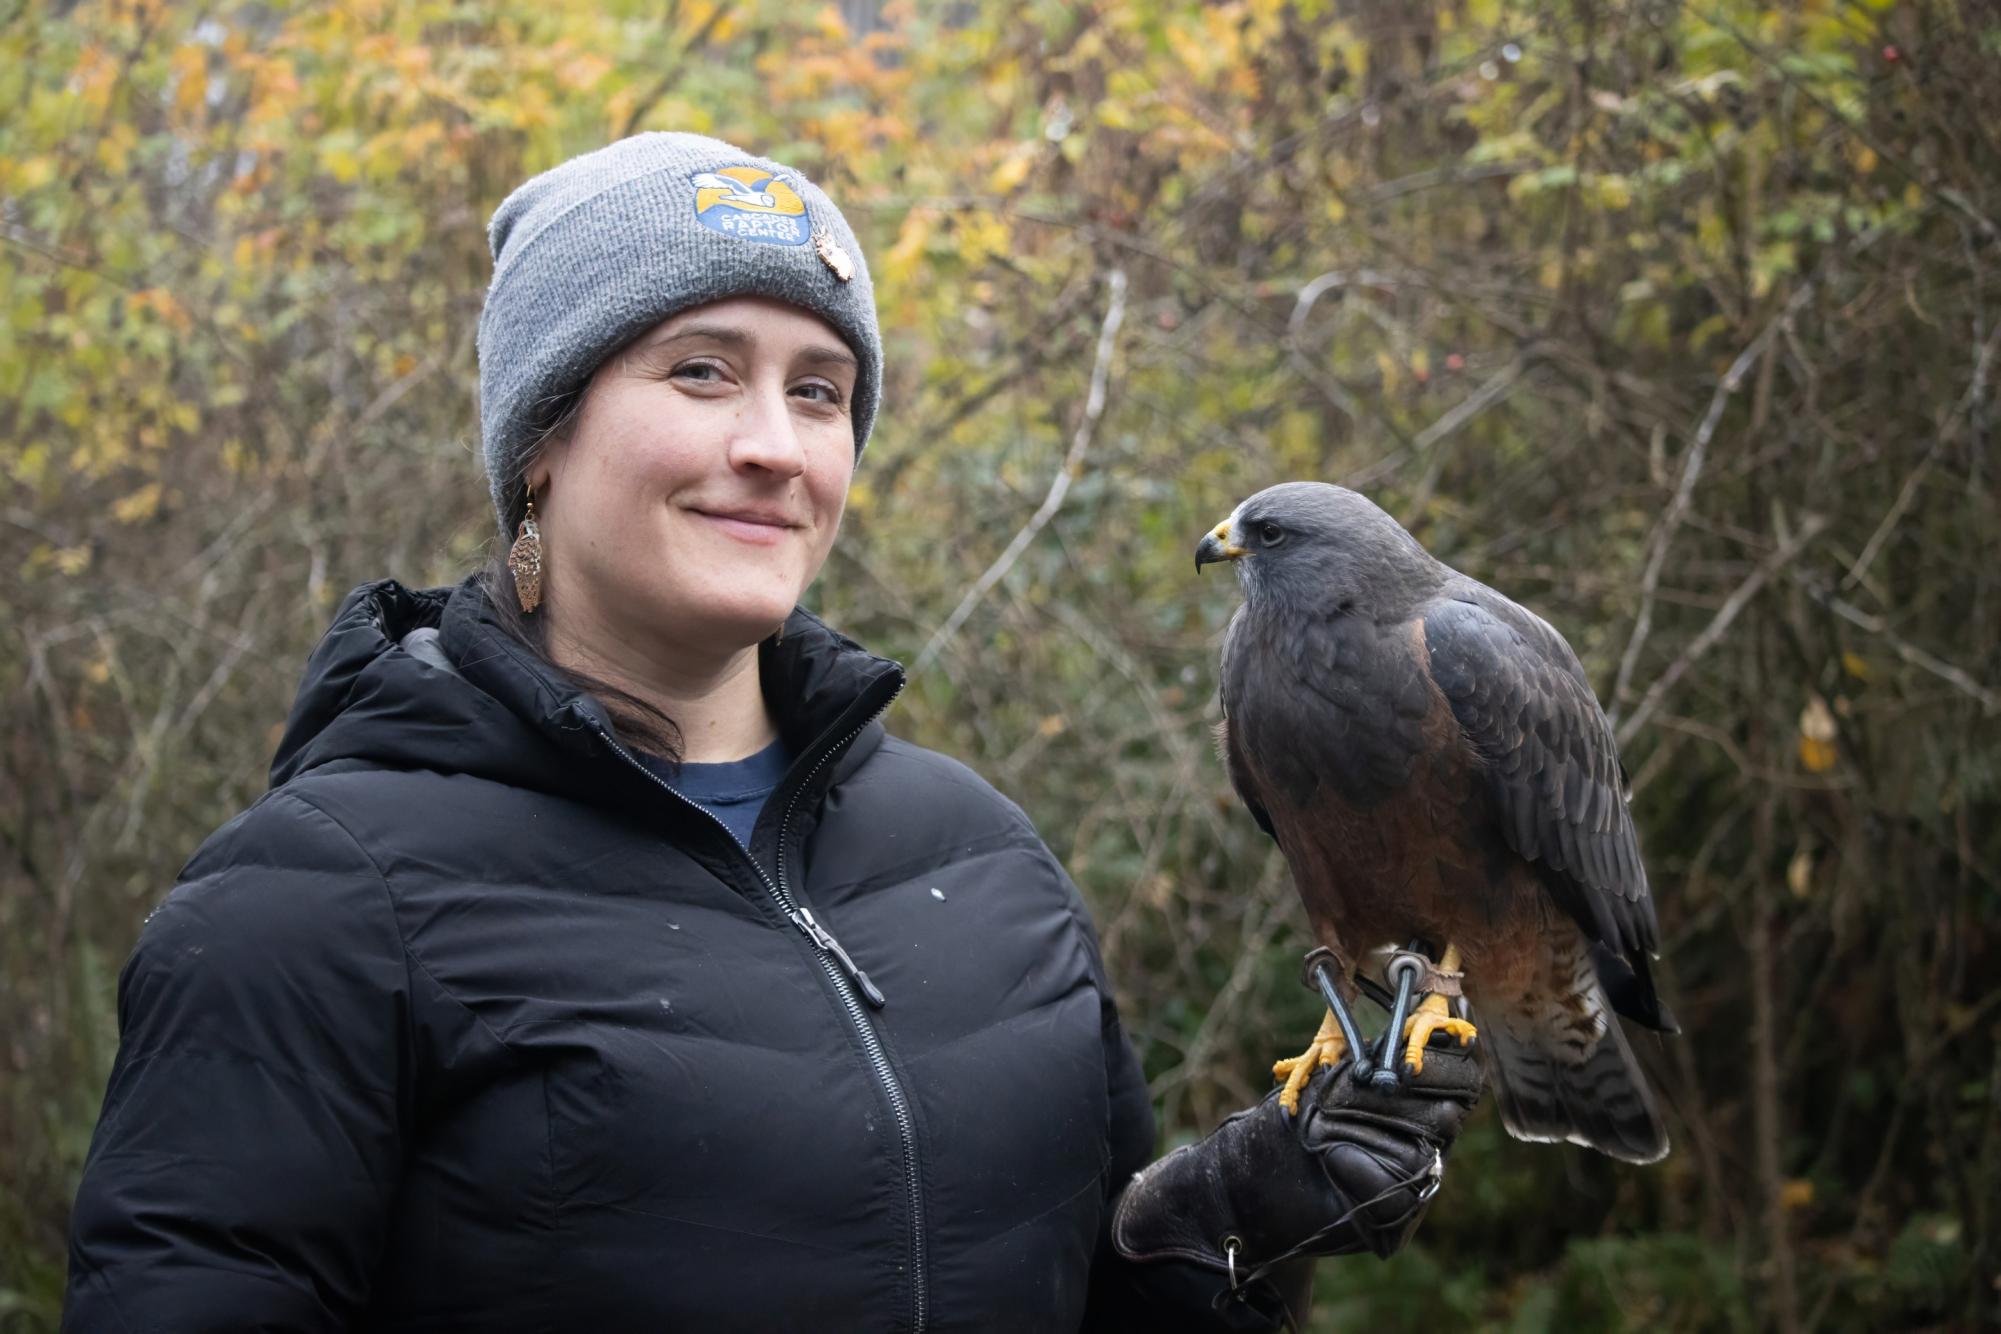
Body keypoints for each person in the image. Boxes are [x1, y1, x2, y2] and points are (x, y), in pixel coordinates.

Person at [63, 132, 1482, 1333]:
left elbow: (1090, 1294)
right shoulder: (308, 902)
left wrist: (1238, 1223)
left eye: (819, 390)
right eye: (700, 371)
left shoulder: (975, 850)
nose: (775, 443)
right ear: (541, 438)